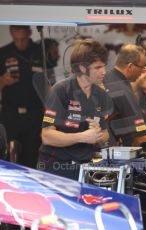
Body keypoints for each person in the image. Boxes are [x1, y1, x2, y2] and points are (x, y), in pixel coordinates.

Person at [38, 39, 113, 180]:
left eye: (104, 66)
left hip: (86, 167)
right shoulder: (61, 90)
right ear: (83, 68)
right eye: (98, 67)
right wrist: (82, 137)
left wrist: (98, 135)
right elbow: (47, 136)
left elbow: (105, 134)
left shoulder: (101, 94)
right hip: (57, 167)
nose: (104, 72)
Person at [0, 25, 44, 168]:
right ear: (11, 33)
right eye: (16, 39)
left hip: (35, 114)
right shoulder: (2, 53)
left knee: (32, 159)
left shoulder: (41, 51)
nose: (20, 43)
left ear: (30, 33)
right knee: (3, 157)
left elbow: (52, 84)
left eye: (23, 39)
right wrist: (3, 81)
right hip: (10, 113)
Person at [104, 43, 146, 146]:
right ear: (130, 67)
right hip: (112, 151)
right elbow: (140, 137)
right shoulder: (124, 91)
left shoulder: (105, 78)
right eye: (142, 67)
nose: (143, 72)